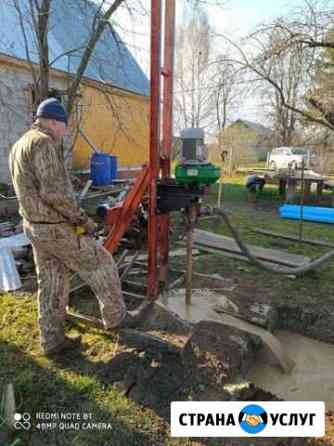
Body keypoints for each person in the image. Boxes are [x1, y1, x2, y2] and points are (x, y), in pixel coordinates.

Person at [9, 98, 152, 356]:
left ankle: (52, 340)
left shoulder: (20, 144)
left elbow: (36, 185)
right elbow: (54, 193)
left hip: (34, 226)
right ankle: (117, 318)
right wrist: (81, 220)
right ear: (52, 121)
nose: (65, 131)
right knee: (101, 261)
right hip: (54, 227)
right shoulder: (43, 142)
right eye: (64, 125)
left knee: (51, 282)